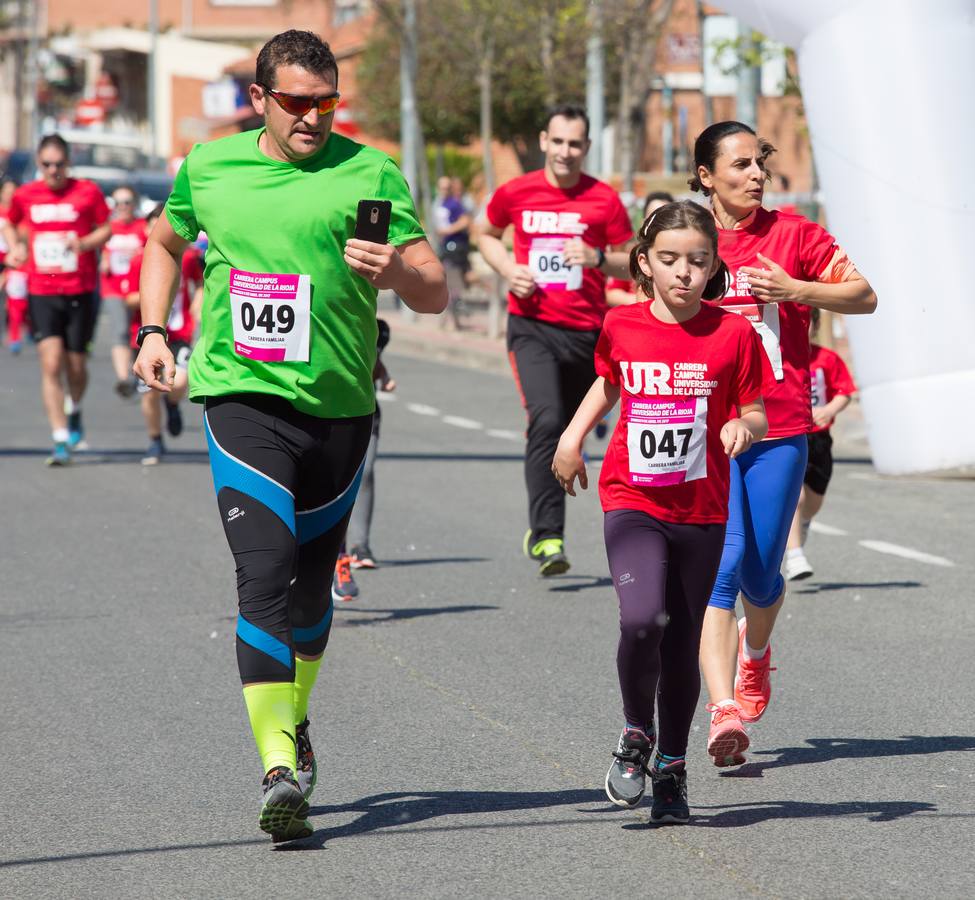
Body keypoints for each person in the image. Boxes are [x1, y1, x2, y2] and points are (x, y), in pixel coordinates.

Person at [132, 29, 447, 843]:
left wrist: (396, 273)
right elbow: (163, 242)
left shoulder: (369, 170)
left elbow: (434, 292)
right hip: (242, 395)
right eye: (297, 102)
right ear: (260, 100)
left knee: (311, 593)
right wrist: (154, 331)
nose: (312, 117)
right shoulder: (211, 166)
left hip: (339, 407)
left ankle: (294, 720)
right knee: (263, 575)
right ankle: (277, 766)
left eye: (325, 102)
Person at [552, 200, 768, 824]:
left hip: (701, 509)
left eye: (698, 262)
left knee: (680, 647)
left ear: (713, 267)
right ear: (644, 263)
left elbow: (755, 409)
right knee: (643, 619)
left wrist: (740, 426)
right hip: (633, 499)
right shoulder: (622, 325)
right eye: (669, 260)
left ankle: (671, 769)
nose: (684, 273)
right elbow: (609, 381)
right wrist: (571, 438)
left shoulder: (734, 333)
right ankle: (634, 733)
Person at [689, 121, 876, 766]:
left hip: (783, 424)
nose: (755, 174)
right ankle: (722, 711)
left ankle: (756, 653)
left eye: (759, 163)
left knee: (762, 569)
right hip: (705, 431)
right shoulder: (692, 239)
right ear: (707, 176)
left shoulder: (795, 234)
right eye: (739, 165)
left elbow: (864, 295)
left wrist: (796, 290)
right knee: (723, 563)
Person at [477, 104, 634, 576]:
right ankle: (547, 536)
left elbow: (635, 260)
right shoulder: (516, 192)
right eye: (558, 141)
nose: (566, 152)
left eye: (576, 144)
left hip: (588, 331)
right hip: (533, 326)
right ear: (544, 140)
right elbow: (484, 232)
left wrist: (597, 256)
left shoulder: (604, 200)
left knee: (574, 430)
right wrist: (507, 269)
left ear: (586, 148)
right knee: (546, 422)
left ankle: (587, 528)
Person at [2, 134, 111, 464]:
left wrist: (84, 243)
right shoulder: (26, 195)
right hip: (42, 289)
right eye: (46, 164)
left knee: (76, 367)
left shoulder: (87, 191)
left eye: (59, 164)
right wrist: (17, 246)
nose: (53, 171)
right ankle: (60, 438)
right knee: (50, 363)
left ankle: (74, 409)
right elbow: (11, 222)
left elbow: (105, 227)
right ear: (38, 163)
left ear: (68, 163)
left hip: (79, 287)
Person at [123, 203, 203, 465]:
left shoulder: (189, 257)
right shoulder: (138, 260)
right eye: (152, 223)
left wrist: (197, 304)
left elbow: (200, 282)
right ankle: (155, 440)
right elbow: (128, 298)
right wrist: (152, 296)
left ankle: (172, 404)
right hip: (146, 333)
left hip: (178, 331)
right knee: (149, 390)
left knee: (179, 381)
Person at [784, 308, 856, 580]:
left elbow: (845, 392)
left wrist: (830, 410)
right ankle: (794, 555)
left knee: (812, 502)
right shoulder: (782, 360)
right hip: (791, 434)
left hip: (820, 439)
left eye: (807, 325)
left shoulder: (827, 358)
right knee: (795, 497)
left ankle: (802, 525)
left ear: (813, 326)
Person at [347, 317, 395, 570]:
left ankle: (361, 545)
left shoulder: (378, 329)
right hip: (323, 409)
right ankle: (336, 550)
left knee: (365, 472)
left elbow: (376, 362)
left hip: (366, 411)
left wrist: (384, 375)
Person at [101, 185, 147, 397]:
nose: (123, 207)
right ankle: (123, 379)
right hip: (113, 287)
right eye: (118, 203)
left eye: (127, 202)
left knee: (138, 331)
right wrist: (104, 261)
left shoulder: (142, 227)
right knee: (119, 330)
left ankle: (141, 374)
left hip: (137, 290)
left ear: (134, 204)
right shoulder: (108, 228)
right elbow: (100, 250)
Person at [605, 191, 674, 308]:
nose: (661, 224)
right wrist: (646, 304)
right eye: (654, 216)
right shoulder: (632, 254)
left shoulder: (684, 257)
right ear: (644, 222)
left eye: (667, 217)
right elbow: (610, 294)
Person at [434, 175, 471, 330]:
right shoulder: (440, 203)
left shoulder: (454, 203)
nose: (444, 190)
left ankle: (452, 320)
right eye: (441, 187)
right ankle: (451, 320)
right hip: (446, 246)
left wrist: (447, 230)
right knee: (453, 281)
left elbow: (465, 221)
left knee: (452, 281)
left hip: (455, 247)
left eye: (447, 187)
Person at [0, 177, 29, 354]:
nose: (10, 196)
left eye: (14, 192)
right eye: (7, 192)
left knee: (16, 301)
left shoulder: (21, 214)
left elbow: (25, 239)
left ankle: (15, 336)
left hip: (15, 262)